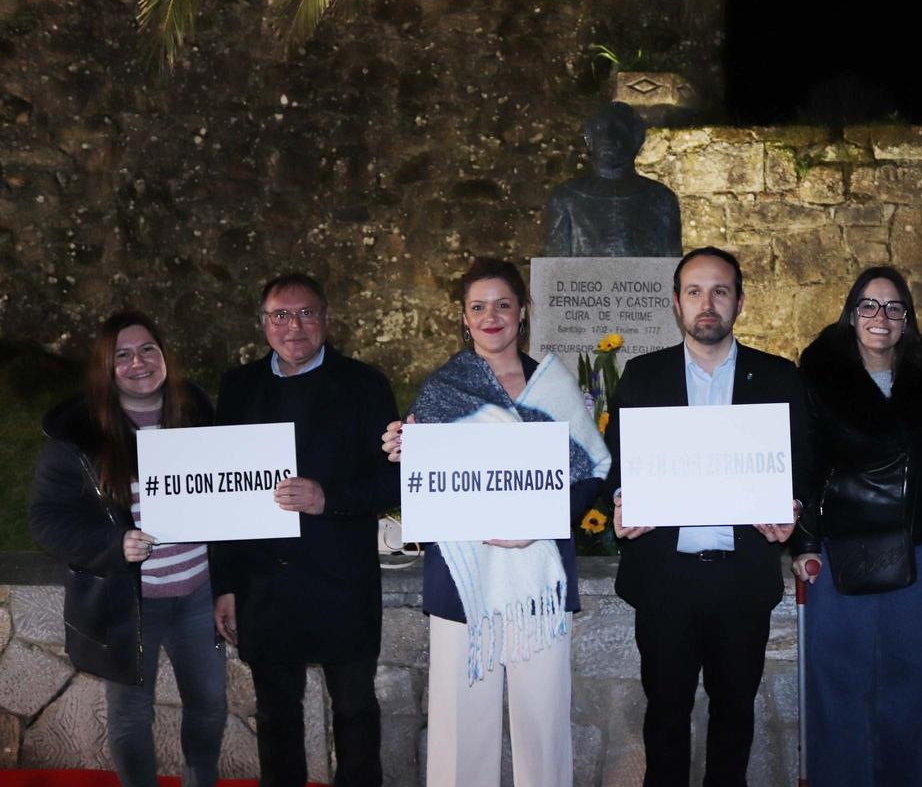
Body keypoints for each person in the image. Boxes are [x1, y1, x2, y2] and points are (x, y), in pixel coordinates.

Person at [381, 256, 609, 786]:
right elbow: (426, 481)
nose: (491, 317)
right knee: (460, 733)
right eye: (478, 307)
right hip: (463, 581)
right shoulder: (443, 389)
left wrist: (542, 521)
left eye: (502, 305)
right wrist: (402, 451)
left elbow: (593, 469)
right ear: (464, 317)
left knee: (543, 728)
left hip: (539, 582)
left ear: (522, 311)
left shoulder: (553, 385)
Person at [605, 246, 802, 787]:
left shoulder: (778, 377)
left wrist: (794, 507)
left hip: (742, 580)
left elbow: (802, 463)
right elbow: (617, 461)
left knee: (735, 715)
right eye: (694, 291)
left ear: (739, 301)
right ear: (677, 302)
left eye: (720, 291)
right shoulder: (643, 376)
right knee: (665, 715)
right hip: (665, 579)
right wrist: (622, 500)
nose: (707, 303)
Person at [209, 274, 399, 787]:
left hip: (342, 579)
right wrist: (225, 584)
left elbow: (393, 481)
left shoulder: (365, 384)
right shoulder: (238, 387)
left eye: (306, 313)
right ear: (263, 323)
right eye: (281, 315)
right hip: (264, 583)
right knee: (275, 715)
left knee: (355, 709)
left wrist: (327, 499)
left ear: (326, 319)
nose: (294, 326)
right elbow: (221, 494)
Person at [29, 310, 227, 787]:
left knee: (210, 705)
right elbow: (45, 519)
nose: (138, 362)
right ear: (106, 366)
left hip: (198, 593)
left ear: (164, 356)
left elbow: (233, 495)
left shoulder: (201, 416)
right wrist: (112, 544)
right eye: (122, 355)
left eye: (147, 349)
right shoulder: (77, 436)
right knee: (130, 716)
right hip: (127, 601)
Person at [789, 267, 922, 786]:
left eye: (893, 307)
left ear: (907, 318)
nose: (880, 316)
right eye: (868, 305)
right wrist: (804, 543)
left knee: (917, 684)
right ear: (851, 313)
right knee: (838, 683)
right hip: (844, 545)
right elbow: (804, 462)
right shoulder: (818, 375)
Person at [544, 101, 682, 257]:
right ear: (589, 139)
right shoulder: (565, 199)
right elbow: (555, 266)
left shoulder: (661, 199)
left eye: (619, 129)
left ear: (636, 139)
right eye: (600, 128)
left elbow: (672, 266)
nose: (608, 136)